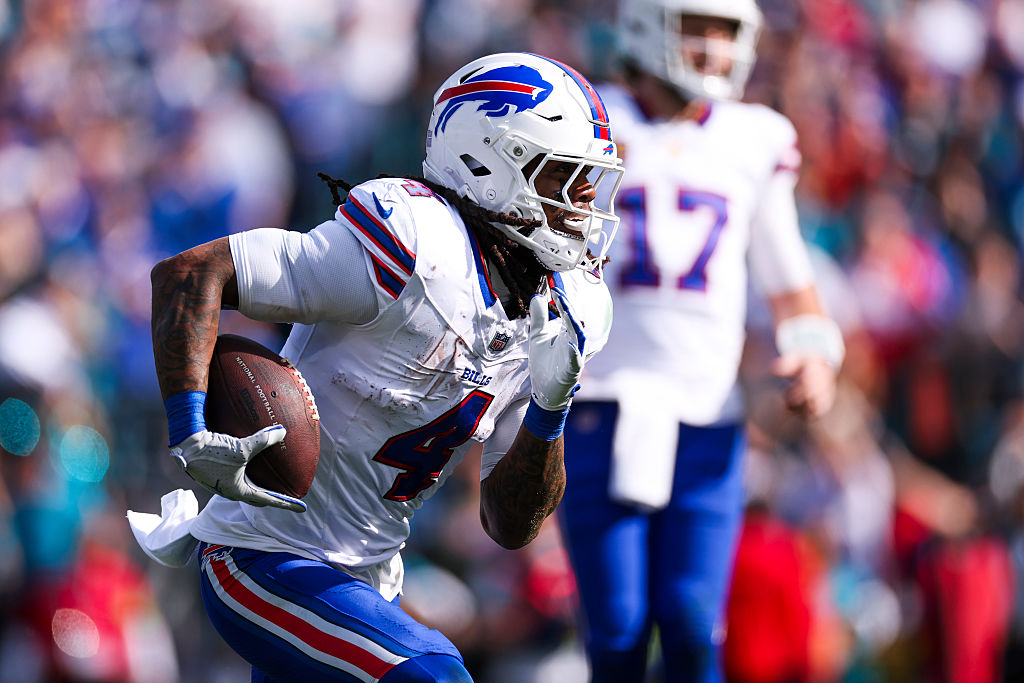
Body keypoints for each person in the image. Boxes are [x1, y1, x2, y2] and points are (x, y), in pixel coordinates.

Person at [128, 52, 624, 682]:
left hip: (368, 578)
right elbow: (190, 273)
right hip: (262, 553)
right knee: (435, 673)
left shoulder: (564, 306)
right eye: (563, 177)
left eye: (589, 182)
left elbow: (509, 523)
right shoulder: (414, 242)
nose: (584, 203)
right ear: (490, 164)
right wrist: (190, 432)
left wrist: (549, 410)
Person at [556, 1, 845, 681]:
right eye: (697, 25)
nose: (714, 46)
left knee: (691, 623)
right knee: (618, 631)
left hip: (707, 416)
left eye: (727, 30)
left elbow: (789, 278)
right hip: (599, 403)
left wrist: (814, 352)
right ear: (645, 22)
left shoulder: (752, 137)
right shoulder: (588, 121)